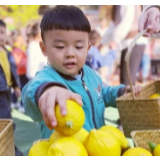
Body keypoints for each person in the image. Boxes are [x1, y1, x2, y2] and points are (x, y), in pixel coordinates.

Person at [22, 5, 142, 139]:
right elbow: (30, 94)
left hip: (97, 147)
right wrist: (47, 90)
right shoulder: (46, 78)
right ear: (44, 49)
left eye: (78, 46)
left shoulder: (90, 74)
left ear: (88, 48)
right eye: (60, 46)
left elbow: (102, 92)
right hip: (66, 151)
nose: (70, 53)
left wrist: (121, 92)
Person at [101, 5, 149, 85]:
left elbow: (126, 23)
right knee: (124, 80)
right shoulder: (117, 7)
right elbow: (113, 25)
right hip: (127, 44)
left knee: (127, 81)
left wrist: (115, 40)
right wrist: (102, 43)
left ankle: (131, 97)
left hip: (135, 42)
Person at [0, 19, 23, 156]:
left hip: (6, 89)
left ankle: (8, 147)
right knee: (6, 119)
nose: (1, 36)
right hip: (0, 91)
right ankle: (13, 151)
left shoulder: (6, 51)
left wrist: (16, 85)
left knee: (6, 118)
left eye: (3, 33)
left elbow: (12, 70)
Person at [10, 29, 28, 113]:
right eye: (21, 39)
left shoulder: (15, 50)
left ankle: (14, 102)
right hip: (21, 73)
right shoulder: (17, 51)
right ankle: (21, 105)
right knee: (23, 88)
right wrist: (25, 63)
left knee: (18, 87)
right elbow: (18, 62)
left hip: (19, 73)